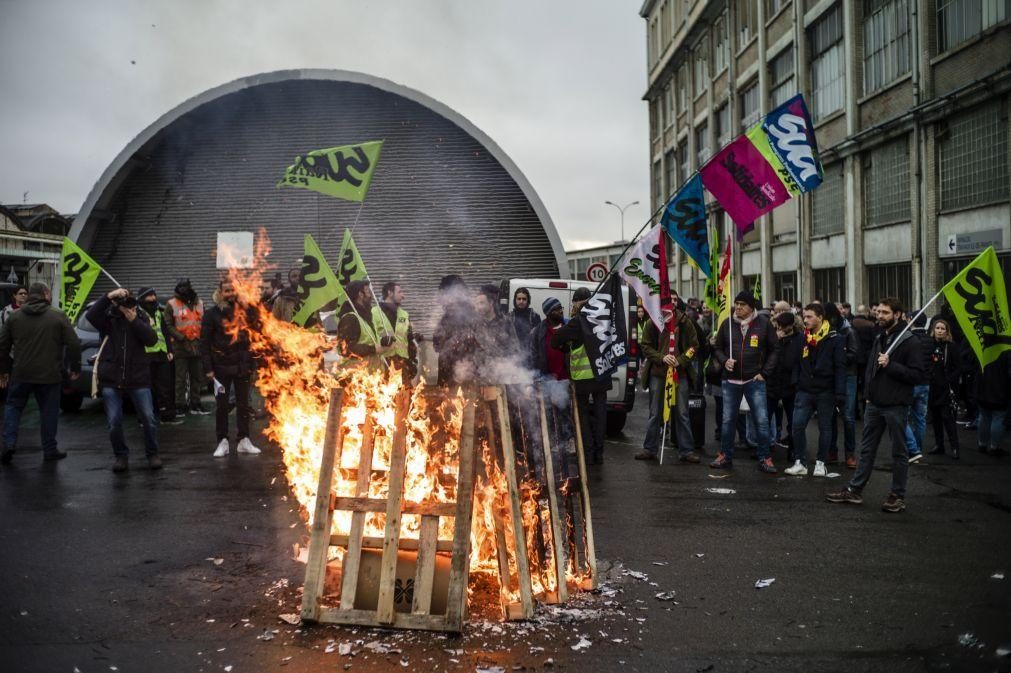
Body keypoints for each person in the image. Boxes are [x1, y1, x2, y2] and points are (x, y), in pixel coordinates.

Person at [827, 297, 924, 513]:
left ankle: (897, 495)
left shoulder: (909, 341)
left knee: (899, 452)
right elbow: (871, 367)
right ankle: (855, 489)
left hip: (896, 404)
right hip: (875, 403)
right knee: (867, 449)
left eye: (885, 313)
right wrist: (868, 394)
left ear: (897, 315)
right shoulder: (881, 336)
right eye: (878, 312)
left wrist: (892, 366)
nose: (879, 316)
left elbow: (917, 375)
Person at [0, 282, 81, 465]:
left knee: (13, 407)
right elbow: (74, 343)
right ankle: (50, 449)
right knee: (48, 412)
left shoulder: (15, 317)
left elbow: (3, 346)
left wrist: (3, 371)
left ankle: (9, 443)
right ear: (45, 294)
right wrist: (74, 368)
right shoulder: (57, 315)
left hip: (21, 372)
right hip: (49, 374)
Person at [87, 288, 162, 472]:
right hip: (112, 378)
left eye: (129, 304)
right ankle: (121, 456)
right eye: (123, 304)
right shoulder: (108, 320)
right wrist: (108, 296)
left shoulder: (141, 318)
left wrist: (134, 320)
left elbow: (152, 340)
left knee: (148, 418)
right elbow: (91, 315)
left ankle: (152, 454)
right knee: (114, 421)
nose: (126, 308)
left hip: (138, 377)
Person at [711, 291, 778, 472]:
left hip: (754, 379)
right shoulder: (728, 324)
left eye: (742, 304)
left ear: (751, 307)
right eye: (736, 303)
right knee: (728, 420)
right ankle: (725, 455)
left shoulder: (764, 324)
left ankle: (765, 457)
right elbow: (717, 347)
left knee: (761, 421)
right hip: (731, 381)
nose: (738, 307)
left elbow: (774, 350)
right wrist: (725, 360)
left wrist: (764, 373)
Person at [635, 293, 701, 463]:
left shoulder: (685, 322)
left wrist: (680, 361)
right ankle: (650, 449)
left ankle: (686, 450)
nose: (671, 302)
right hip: (658, 374)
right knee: (655, 412)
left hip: (681, 375)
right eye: (668, 299)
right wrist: (661, 357)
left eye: (674, 299)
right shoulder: (653, 322)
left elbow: (694, 347)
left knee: (682, 413)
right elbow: (645, 346)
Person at [201, 279, 262, 458]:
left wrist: (252, 363)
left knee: (243, 405)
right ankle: (222, 441)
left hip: (242, 366)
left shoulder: (245, 311)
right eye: (226, 291)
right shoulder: (211, 315)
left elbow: (255, 336)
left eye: (232, 290)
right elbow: (204, 343)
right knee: (222, 406)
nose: (230, 294)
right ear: (220, 293)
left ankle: (244, 440)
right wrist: (208, 369)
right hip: (220, 368)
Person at [784, 304, 846, 477]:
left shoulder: (835, 338)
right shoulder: (802, 338)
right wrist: (796, 382)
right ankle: (800, 462)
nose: (805, 320)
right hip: (804, 389)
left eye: (810, 316)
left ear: (820, 317)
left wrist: (840, 393)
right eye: (804, 316)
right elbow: (795, 362)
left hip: (825, 390)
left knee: (825, 427)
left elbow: (840, 368)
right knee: (797, 425)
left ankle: (821, 463)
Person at [551, 288, 611, 464]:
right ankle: (599, 454)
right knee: (601, 415)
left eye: (574, 302)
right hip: (602, 374)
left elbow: (555, 341)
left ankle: (589, 454)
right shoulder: (603, 319)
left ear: (578, 302)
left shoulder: (578, 322)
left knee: (583, 415)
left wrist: (567, 347)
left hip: (583, 377)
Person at [165, 278, 210, 416]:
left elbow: (205, 323)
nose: (184, 289)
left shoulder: (200, 303)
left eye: (186, 286)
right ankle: (180, 406)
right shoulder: (171, 304)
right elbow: (168, 325)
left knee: (197, 377)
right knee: (180, 378)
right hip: (180, 346)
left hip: (197, 345)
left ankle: (195, 404)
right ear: (177, 288)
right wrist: (180, 337)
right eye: (181, 286)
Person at [137, 287, 181, 425]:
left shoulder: (158, 312)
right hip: (145, 355)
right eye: (149, 296)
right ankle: (144, 419)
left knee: (165, 387)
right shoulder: (137, 313)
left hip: (161, 353)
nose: (152, 298)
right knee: (145, 388)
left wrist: (169, 350)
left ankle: (167, 416)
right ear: (142, 298)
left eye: (153, 295)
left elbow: (165, 332)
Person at [826, 302, 860, 467]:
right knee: (830, 415)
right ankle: (831, 451)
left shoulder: (848, 330)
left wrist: (836, 358)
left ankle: (850, 454)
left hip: (848, 376)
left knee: (848, 416)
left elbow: (854, 354)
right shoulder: (825, 331)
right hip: (831, 376)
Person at [925, 319, 963, 458]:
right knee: (935, 418)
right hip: (932, 388)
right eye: (937, 328)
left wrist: (948, 380)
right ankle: (939, 445)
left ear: (947, 331)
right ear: (933, 330)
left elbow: (958, 367)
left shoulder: (951, 347)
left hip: (946, 388)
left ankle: (954, 447)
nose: (940, 330)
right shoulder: (929, 345)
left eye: (943, 328)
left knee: (948, 418)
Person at [767, 311, 802, 459]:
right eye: (778, 326)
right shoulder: (774, 338)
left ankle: (793, 451)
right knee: (765, 419)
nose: (780, 329)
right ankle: (764, 449)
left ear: (790, 326)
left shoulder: (799, 339)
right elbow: (769, 358)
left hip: (790, 385)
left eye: (783, 326)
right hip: (773, 383)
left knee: (793, 421)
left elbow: (796, 361)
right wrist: (776, 341)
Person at [433, 275, 478, 386]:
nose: (441, 297)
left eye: (444, 293)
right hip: (447, 373)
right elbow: (437, 344)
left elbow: (472, 345)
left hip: (463, 374)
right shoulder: (447, 316)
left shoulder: (469, 316)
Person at [379, 281, 418, 381]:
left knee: (406, 395)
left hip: (402, 363)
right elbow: (369, 337)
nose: (403, 296)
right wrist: (381, 340)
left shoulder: (404, 314)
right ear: (390, 293)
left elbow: (409, 340)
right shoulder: (374, 313)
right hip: (382, 364)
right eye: (400, 292)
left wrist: (413, 361)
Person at [975, 350, 1011, 456]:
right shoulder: (1007, 350)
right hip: (1000, 389)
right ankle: (994, 447)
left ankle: (982, 444)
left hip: (982, 387)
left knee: (984, 415)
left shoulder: (983, 345)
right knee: (998, 416)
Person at [530, 297, 568, 380]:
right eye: (556, 310)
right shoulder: (538, 331)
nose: (561, 311)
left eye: (560, 308)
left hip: (566, 379)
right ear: (548, 313)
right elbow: (534, 355)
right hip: (546, 380)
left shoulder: (569, 326)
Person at [507, 287, 541, 357]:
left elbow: (539, 339)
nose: (521, 301)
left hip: (530, 357)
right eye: (519, 299)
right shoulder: (509, 317)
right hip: (513, 357)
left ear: (528, 300)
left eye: (524, 299)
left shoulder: (534, 317)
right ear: (515, 300)